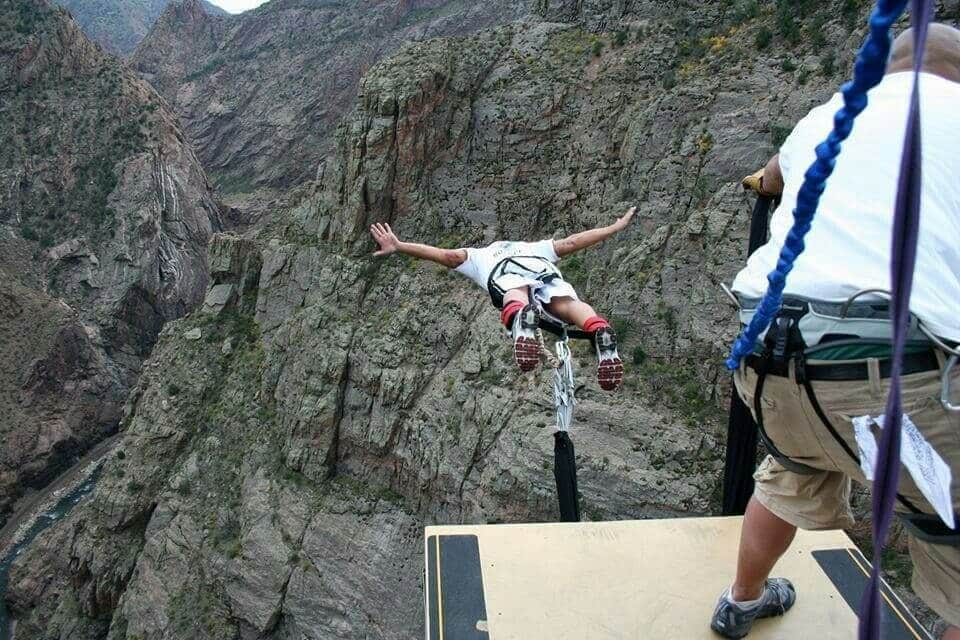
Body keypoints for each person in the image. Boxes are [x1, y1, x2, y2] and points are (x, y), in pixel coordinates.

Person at [712, 24, 960, 639]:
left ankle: (742, 600)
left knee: (792, 467)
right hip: (899, 369)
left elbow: (770, 177)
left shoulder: (831, 114)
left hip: (769, 354)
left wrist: (770, 183)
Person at [368, 208, 636, 390]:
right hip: (543, 269)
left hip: (503, 272)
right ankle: (598, 328)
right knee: (567, 305)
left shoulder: (477, 256)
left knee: (514, 293)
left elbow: (445, 256)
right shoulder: (535, 247)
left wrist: (400, 246)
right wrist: (614, 228)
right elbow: (572, 243)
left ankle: (522, 318)